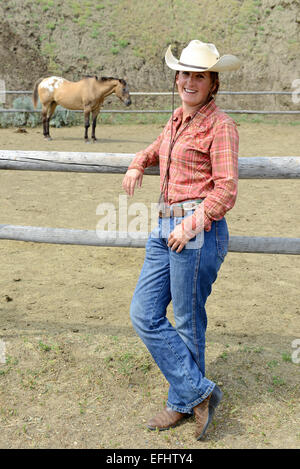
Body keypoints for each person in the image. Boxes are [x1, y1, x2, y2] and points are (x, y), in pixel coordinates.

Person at [122, 40, 241, 440]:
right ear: (177, 77)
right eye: (185, 73)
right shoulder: (177, 118)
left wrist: (193, 223)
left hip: (195, 230)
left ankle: (181, 403)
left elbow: (225, 189)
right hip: (163, 226)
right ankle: (199, 394)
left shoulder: (220, 126)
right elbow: (157, 149)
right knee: (144, 313)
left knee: (188, 319)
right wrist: (139, 162)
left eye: (199, 75)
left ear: (212, 83)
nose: (190, 81)